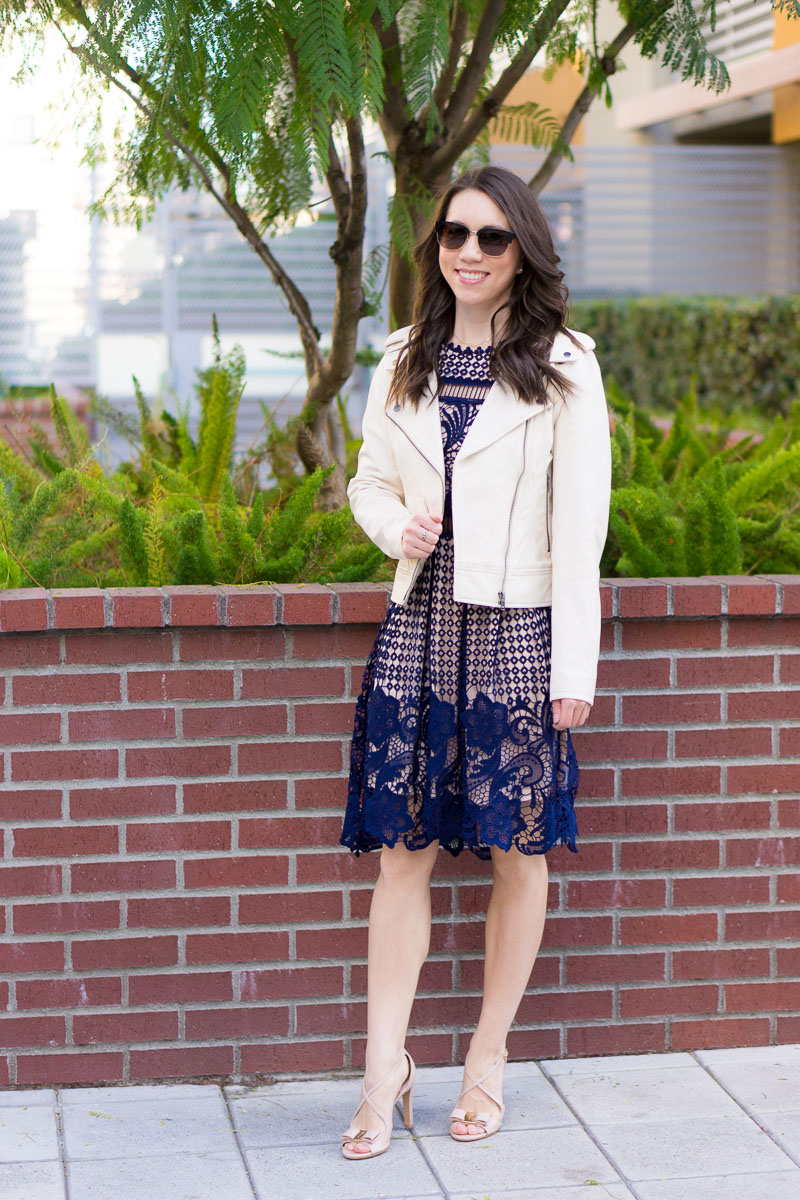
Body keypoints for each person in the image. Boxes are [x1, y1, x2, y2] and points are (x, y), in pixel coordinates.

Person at [338, 164, 611, 1160]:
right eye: (455, 233)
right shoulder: (402, 356)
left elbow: (580, 528)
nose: (468, 251)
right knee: (399, 852)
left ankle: (486, 1061)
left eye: (491, 238)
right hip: (418, 630)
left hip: (515, 633)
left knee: (516, 851)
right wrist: (392, 526)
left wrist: (571, 669)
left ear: (522, 250)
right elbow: (365, 480)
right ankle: (384, 1075)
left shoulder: (564, 365)